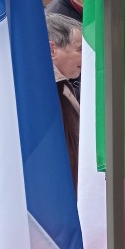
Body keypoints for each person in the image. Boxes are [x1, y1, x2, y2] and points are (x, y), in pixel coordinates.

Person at [46, 13, 83, 190]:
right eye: (79, 49)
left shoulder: (59, 84)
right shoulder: (52, 89)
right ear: (52, 50)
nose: (86, 57)